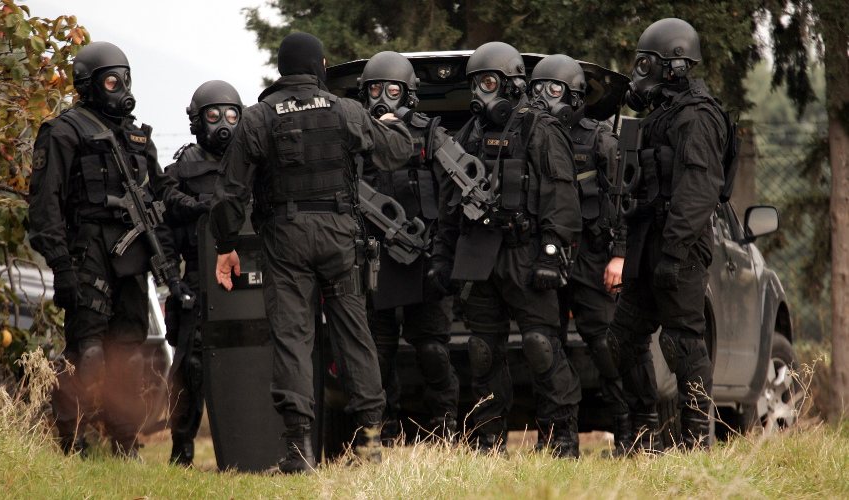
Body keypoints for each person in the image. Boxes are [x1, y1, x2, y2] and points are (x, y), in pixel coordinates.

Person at [209, 32, 414, 473]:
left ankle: (299, 451)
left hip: (285, 241)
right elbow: (398, 151)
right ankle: (371, 446)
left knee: (292, 337)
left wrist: (226, 246)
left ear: (282, 69)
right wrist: (392, 121)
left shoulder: (258, 117)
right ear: (319, 65)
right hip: (339, 236)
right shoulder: (346, 110)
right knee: (354, 333)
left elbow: (230, 194)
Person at [28, 41, 201, 457]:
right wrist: (61, 266)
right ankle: (74, 441)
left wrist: (197, 206)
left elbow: (161, 194)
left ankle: (124, 443)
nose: (121, 87)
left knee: (129, 355)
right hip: (87, 254)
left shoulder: (137, 138)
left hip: (132, 257)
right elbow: (44, 207)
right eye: (111, 80)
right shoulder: (64, 132)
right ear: (89, 85)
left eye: (125, 78)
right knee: (88, 353)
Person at [430, 41, 582, 457]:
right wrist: (443, 256)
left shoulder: (540, 128)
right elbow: (449, 205)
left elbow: (561, 196)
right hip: (478, 254)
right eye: (476, 83)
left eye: (489, 82)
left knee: (540, 345)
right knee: (482, 351)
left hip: (525, 252)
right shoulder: (467, 135)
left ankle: (560, 438)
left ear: (513, 84)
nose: (481, 92)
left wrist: (551, 251)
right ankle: (488, 439)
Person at [610, 17, 727, 450]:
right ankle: (644, 436)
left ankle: (695, 445)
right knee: (622, 339)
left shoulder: (697, 117)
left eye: (647, 64)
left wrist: (674, 254)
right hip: (648, 241)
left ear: (674, 65)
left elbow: (697, 193)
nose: (639, 73)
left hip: (680, 245)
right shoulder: (663, 116)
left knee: (682, 343)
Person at [528, 54, 631, 455]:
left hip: (593, 255)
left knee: (605, 346)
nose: (544, 98)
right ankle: (557, 437)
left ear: (575, 96)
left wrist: (619, 255)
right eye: (537, 89)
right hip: (547, 255)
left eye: (553, 89)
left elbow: (624, 201)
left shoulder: (601, 140)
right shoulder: (529, 134)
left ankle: (628, 432)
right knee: (545, 347)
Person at [356, 51, 460, 442]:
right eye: (376, 90)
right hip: (376, 259)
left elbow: (455, 194)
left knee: (432, 349)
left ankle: (445, 428)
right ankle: (382, 430)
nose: (384, 98)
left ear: (409, 94)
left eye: (393, 90)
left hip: (424, 255)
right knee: (377, 353)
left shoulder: (430, 134)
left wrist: (444, 256)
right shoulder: (356, 135)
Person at [163, 80, 243, 466]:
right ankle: (182, 447)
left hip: (246, 276)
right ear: (198, 120)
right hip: (197, 274)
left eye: (231, 115)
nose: (223, 123)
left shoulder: (251, 164)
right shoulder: (181, 171)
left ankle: (251, 447)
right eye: (214, 115)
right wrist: (172, 280)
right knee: (191, 366)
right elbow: (163, 225)